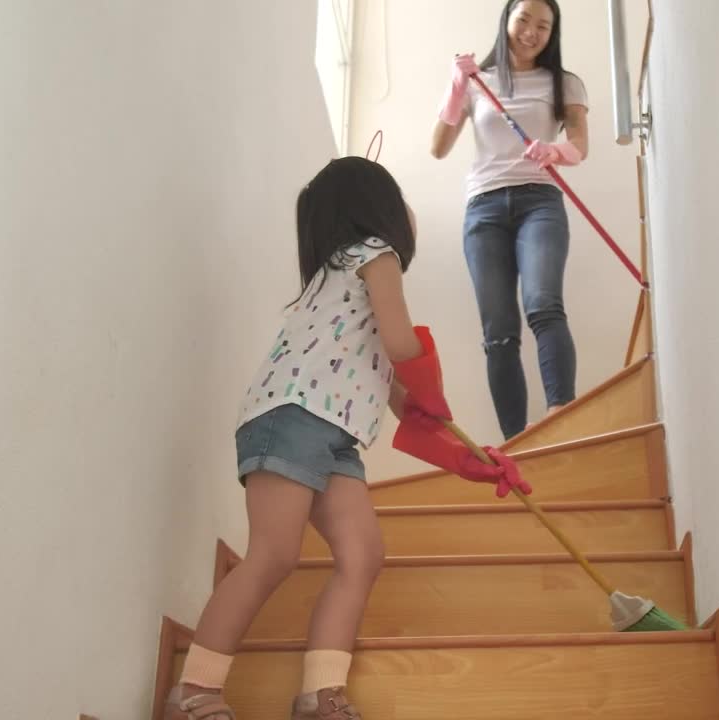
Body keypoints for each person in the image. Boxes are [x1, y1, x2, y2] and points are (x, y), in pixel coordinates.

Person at [163, 157, 529, 720]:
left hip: (334, 437)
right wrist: (432, 387)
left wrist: (468, 460)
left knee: (362, 557)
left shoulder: (337, 282)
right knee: (274, 554)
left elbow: (399, 395)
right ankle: (195, 690)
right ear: (376, 208)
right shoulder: (375, 255)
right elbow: (405, 347)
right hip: (291, 416)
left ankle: (320, 694)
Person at [430, 0, 590, 440]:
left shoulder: (564, 82)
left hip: (540, 203)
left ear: (552, 33)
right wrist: (456, 87)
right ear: (507, 20)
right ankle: (518, 442)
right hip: (483, 209)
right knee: (498, 332)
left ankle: (561, 416)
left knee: (543, 305)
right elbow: (438, 147)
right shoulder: (479, 82)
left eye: (543, 25)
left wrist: (556, 151)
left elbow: (580, 143)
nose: (531, 32)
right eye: (524, 19)